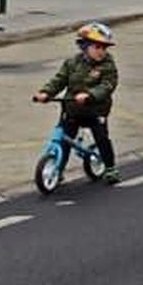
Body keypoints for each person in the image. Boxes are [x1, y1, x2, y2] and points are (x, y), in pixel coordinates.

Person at [33, 22, 121, 184]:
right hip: (72, 108)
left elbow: (108, 85)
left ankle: (110, 167)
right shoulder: (72, 63)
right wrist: (46, 93)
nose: (101, 51)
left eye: (104, 48)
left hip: (95, 110)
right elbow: (59, 80)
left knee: (101, 138)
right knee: (64, 139)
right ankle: (58, 169)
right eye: (97, 47)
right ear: (85, 46)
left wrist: (90, 95)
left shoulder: (107, 65)